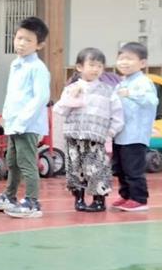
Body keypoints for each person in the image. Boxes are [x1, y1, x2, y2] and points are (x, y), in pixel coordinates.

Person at [0, 16, 51, 220]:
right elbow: (13, 94)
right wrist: (7, 118)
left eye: (28, 40)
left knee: (26, 162)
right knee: (12, 161)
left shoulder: (37, 68)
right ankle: (9, 196)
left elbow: (41, 97)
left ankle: (32, 201)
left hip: (27, 125)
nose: (21, 43)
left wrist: (22, 121)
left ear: (39, 45)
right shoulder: (16, 64)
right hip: (14, 124)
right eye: (19, 38)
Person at [51, 47, 123, 213]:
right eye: (91, 65)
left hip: (96, 138)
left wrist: (110, 132)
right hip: (74, 136)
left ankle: (99, 200)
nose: (95, 69)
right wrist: (71, 97)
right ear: (79, 67)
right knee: (75, 169)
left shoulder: (108, 91)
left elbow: (117, 114)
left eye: (99, 66)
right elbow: (60, 110)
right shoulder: (72, 88)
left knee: (97, 168)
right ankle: (79, 199)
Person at [111, 41, 158, 213]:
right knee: (120, 168)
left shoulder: (144, 82)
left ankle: (139, 199)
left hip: (135, 135)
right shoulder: (121, 83)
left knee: (133, 169)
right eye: (121, 58)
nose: (124, 62)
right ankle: (126, 195)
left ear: (142, 63)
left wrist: (131, 94)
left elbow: (152, 101)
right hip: (120, 134)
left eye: (129, 59)